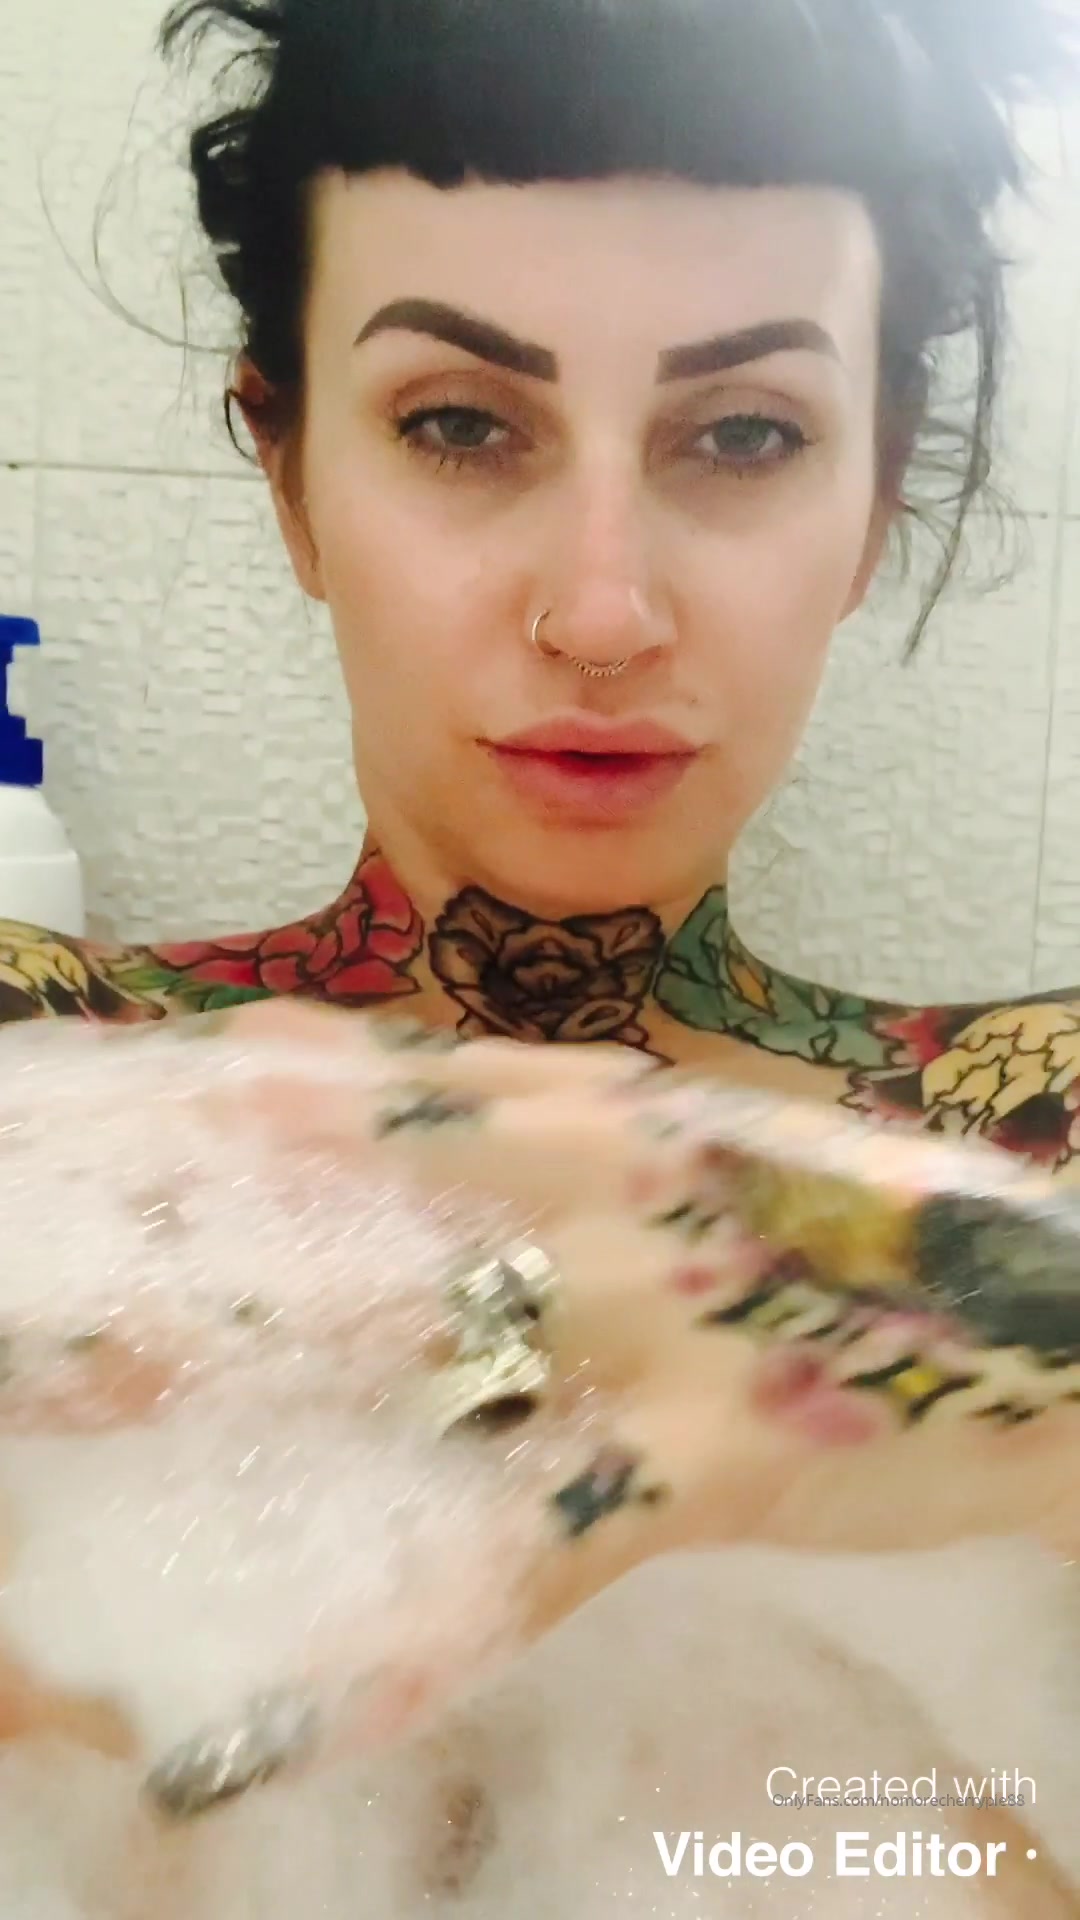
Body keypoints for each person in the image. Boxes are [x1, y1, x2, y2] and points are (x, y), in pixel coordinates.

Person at [0, 0, 1079, 1909]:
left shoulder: (1032, 1155)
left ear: (870, 503)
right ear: (291, 474)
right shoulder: (43, 1091)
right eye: (460, 425)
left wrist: (985, 1355)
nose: (602, 609)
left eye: (742, 434)